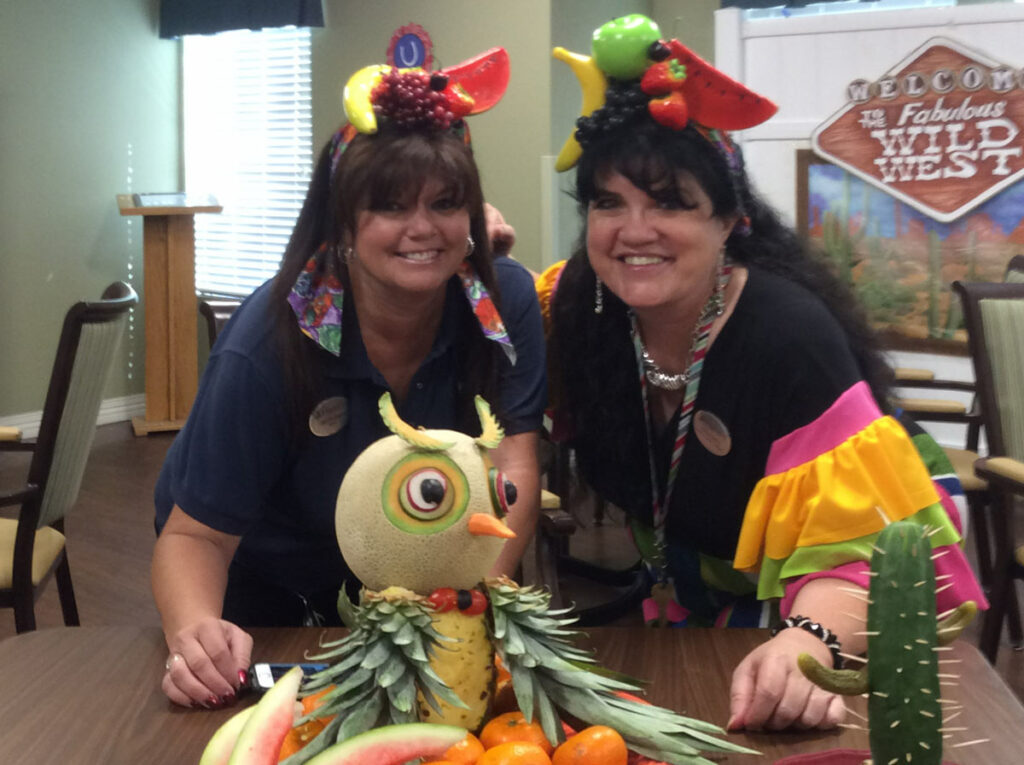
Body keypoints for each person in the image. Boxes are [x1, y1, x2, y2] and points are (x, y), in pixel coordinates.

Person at [541, 21, 985, 733]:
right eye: (608, 203)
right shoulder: (579, 308)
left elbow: (858, 549)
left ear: (730, 219)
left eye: (670, 202)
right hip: (700, 585)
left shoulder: (787, 335)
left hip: (872, 543)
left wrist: (812, 640)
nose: (634, 229)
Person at [152, 62, 546, 708]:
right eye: (390, 205)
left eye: (445, 203)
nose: (422, 228)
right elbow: (195, 536)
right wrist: (196, 634)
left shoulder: (508, 304)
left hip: (427, 593)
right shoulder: (267, 343)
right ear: (341, 226)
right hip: (270, 603)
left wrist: (469, 603)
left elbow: (514, 468)